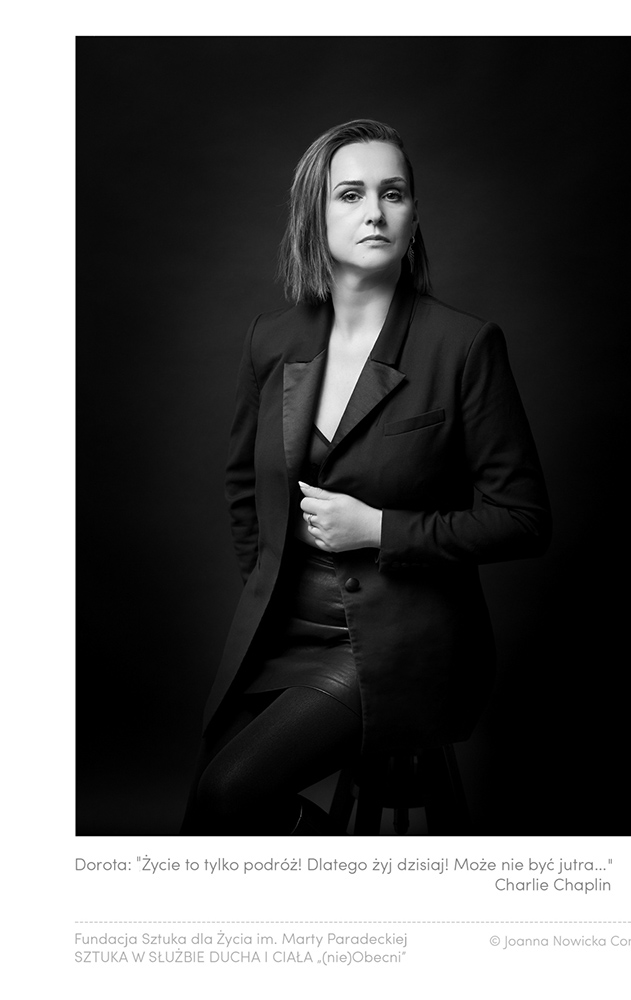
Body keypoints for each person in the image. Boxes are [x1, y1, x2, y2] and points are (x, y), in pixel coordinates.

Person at [181, 119, 551, 835]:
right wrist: (269, 589)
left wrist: (378, 528)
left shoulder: (463, 345)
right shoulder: (272, 338)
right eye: (350, 194)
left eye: (393, 193)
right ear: (314, 216)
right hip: (280, 634)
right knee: (204, 815)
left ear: (412, 217)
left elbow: (524, 520)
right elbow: (244, 488)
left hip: (401, 641)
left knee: (230, 795)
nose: (374, 212)